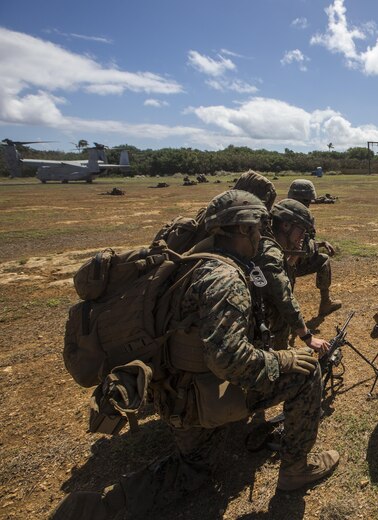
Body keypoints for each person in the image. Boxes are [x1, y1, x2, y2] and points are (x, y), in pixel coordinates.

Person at [52, 191, 338, 520]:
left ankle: (103, 509)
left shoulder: (191, 262)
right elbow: (229, 360)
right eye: (258, 229)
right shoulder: (225, 279)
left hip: (174, 397)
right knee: (305, 373)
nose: (262, 235)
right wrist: (285, 359)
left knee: (193, 469)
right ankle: (296, 469)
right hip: (199, 400)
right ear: (243, 230)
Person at [253, 197, 330, 351]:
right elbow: (284, 297)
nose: (302, 237)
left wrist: (294, 254)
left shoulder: (270, 243)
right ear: (286, 225)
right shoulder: (269, 253)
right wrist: (308, 337)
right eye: (301, 231)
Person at [286, 179, 342, 317]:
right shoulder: (304, 218)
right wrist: (316, 246)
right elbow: (304, 250)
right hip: (288, 267)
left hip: (274, 265)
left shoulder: (278, 212)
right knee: (323, 259)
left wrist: (320, 243)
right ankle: (325, 303)